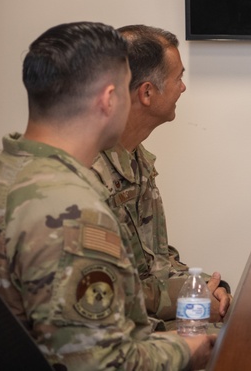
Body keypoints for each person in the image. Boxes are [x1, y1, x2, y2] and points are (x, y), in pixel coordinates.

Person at [0, 22, 213, 370]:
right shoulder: (72, 212)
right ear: (110, 99)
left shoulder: (10, 171)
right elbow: (104, 364)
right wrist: (188, 349)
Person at [90, 25, 231, 327]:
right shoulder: (88, 174)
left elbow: (157, 260)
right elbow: (106, 292)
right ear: (147, 92)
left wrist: (206, 288)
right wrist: (192, 300)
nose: (183, 87)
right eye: (178, 77)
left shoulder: (136, 157)